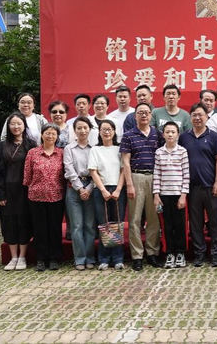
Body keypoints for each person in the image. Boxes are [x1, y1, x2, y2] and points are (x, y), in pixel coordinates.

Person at [179, 103, 217, 267]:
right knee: (195, 223)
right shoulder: (184, 137)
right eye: (194, 115)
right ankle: (199, 253)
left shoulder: (214, 136)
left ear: (206, 117)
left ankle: (216, 254)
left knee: (215, 223)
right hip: (192, 188)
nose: (197, 118)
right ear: (190, 118)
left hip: (211, 186)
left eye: (200, 115)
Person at [121, 102, 163, 271]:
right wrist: (129, 184)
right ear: (135, 116)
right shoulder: (128, 135)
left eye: (147, 112)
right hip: (136, 177)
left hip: (154, 177)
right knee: (135, 219)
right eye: (140, 112)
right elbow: (125, 161)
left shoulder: (157, 134)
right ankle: (137, 256)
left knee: (154, 219)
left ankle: (152, 253)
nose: (144, 115)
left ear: (151, 115)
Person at [0, 111, 35, 271]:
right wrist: (0, 194)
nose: (16, 126)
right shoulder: (2, 146)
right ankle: (13, 257)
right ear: (8, 126)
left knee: (24, 221)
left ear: (24, 125)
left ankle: (23, 257)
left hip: (25, 191)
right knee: (9, 223)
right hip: (7, 191)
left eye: (19, 123)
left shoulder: (31, 144)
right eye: (12, 124)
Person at [23, 123, 66, 271]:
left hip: (56, 196)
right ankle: (41, 258)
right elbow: (27, 176)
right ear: (42, 135)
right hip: (36, 196)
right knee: (39, 228)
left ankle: (54, 258)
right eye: (47, 133)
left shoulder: (61, 153)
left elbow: (65, 174)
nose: (50, 136)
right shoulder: (33, 153)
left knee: (55, 228)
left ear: (57, 136)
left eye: (53, 133)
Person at [89, 119, 127, 271]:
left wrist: (118, 189)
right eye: (103, 129)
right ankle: (104, 259)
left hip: (118, 189)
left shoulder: (119, 149)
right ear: (99, 132)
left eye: (109, 129)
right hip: (101, 190)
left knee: (117, 224)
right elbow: (93, 171)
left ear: (114, 131)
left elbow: (124, 170)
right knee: (104, 225)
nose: (106, 132)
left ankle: (118, 258)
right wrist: (103, 190)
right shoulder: (95, 150)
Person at [153, 122, 190, 268]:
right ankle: (169, 253)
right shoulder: (159, 152)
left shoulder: (182, 151)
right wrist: (156, 194)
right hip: (164, 195)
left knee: (180, 225)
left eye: (173, 132)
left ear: (178, 135)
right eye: (167, 132)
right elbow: (157, 174)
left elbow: (186, 175)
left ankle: (180, 253)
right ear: (163, 134)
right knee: (167, 225)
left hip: (178, 194)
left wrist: (183, 195)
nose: (170, 134)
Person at [63, 116, 96, 271]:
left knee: (90, 225)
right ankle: (80, 259)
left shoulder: (94, 148)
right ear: (74, 131)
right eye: (79, 128)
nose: (82, 131)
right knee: (76, 226)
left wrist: (88, 188)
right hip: (73, 188)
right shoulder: (69, 149)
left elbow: (97, 171)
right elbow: (69, 170)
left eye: (85, 128)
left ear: (89, 129)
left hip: (91, 186)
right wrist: (80, 189)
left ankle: (90, 257)